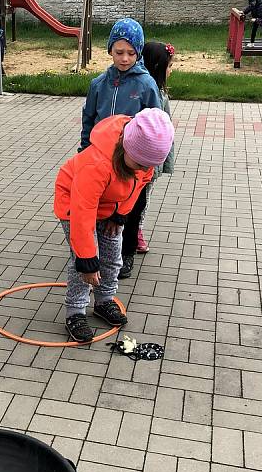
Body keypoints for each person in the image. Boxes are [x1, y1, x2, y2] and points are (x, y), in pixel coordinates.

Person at [54, 108, 175, 343]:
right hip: (74, 202)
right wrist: (87, 259)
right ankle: (75, 312)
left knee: (113, 256)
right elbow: (83, 212)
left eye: (148, 165)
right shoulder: (97, 163)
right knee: (86, 263)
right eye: (139, 163)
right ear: (126, 147)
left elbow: (139, 185)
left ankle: (104, 300)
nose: (142, 169)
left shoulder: (143, 162)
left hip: (110, 205)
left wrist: (120, 214)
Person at [79, 18, 161, 150]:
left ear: (138, 54)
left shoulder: (147, 85)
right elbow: (88, 120)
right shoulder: (98, 84)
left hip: (131, 158)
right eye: (119, 52)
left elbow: (157, 126)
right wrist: (84, 151)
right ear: (110, 50)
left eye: (131, 53)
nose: (124, 59)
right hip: (99, 154)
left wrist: (152, 165)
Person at [135, 41, 176, 253]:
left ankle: (137, 230)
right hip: (136, 157)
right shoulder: (142, 91)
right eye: (169, 66)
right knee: (132, 197)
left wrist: (165, 159)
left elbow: (166, 129)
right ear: (158, 67)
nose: (171, 70)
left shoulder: (162, 95)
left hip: (151, 161)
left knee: (144, 196)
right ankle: (126, 230)